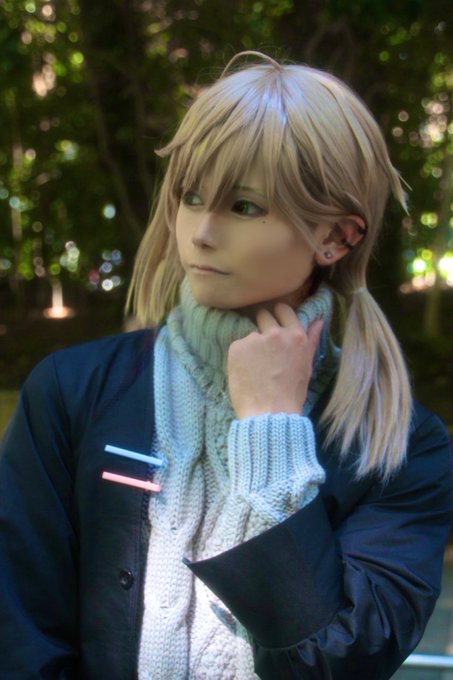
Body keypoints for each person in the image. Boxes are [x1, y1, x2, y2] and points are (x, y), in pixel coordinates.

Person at [0, 50, 452, 680]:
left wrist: (272, 435)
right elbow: (22, 639)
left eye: (244, 206)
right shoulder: (73, 391)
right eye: (191, 196)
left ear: (337, 237)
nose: (200, 233)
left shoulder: (399, 446)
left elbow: (336, 662)